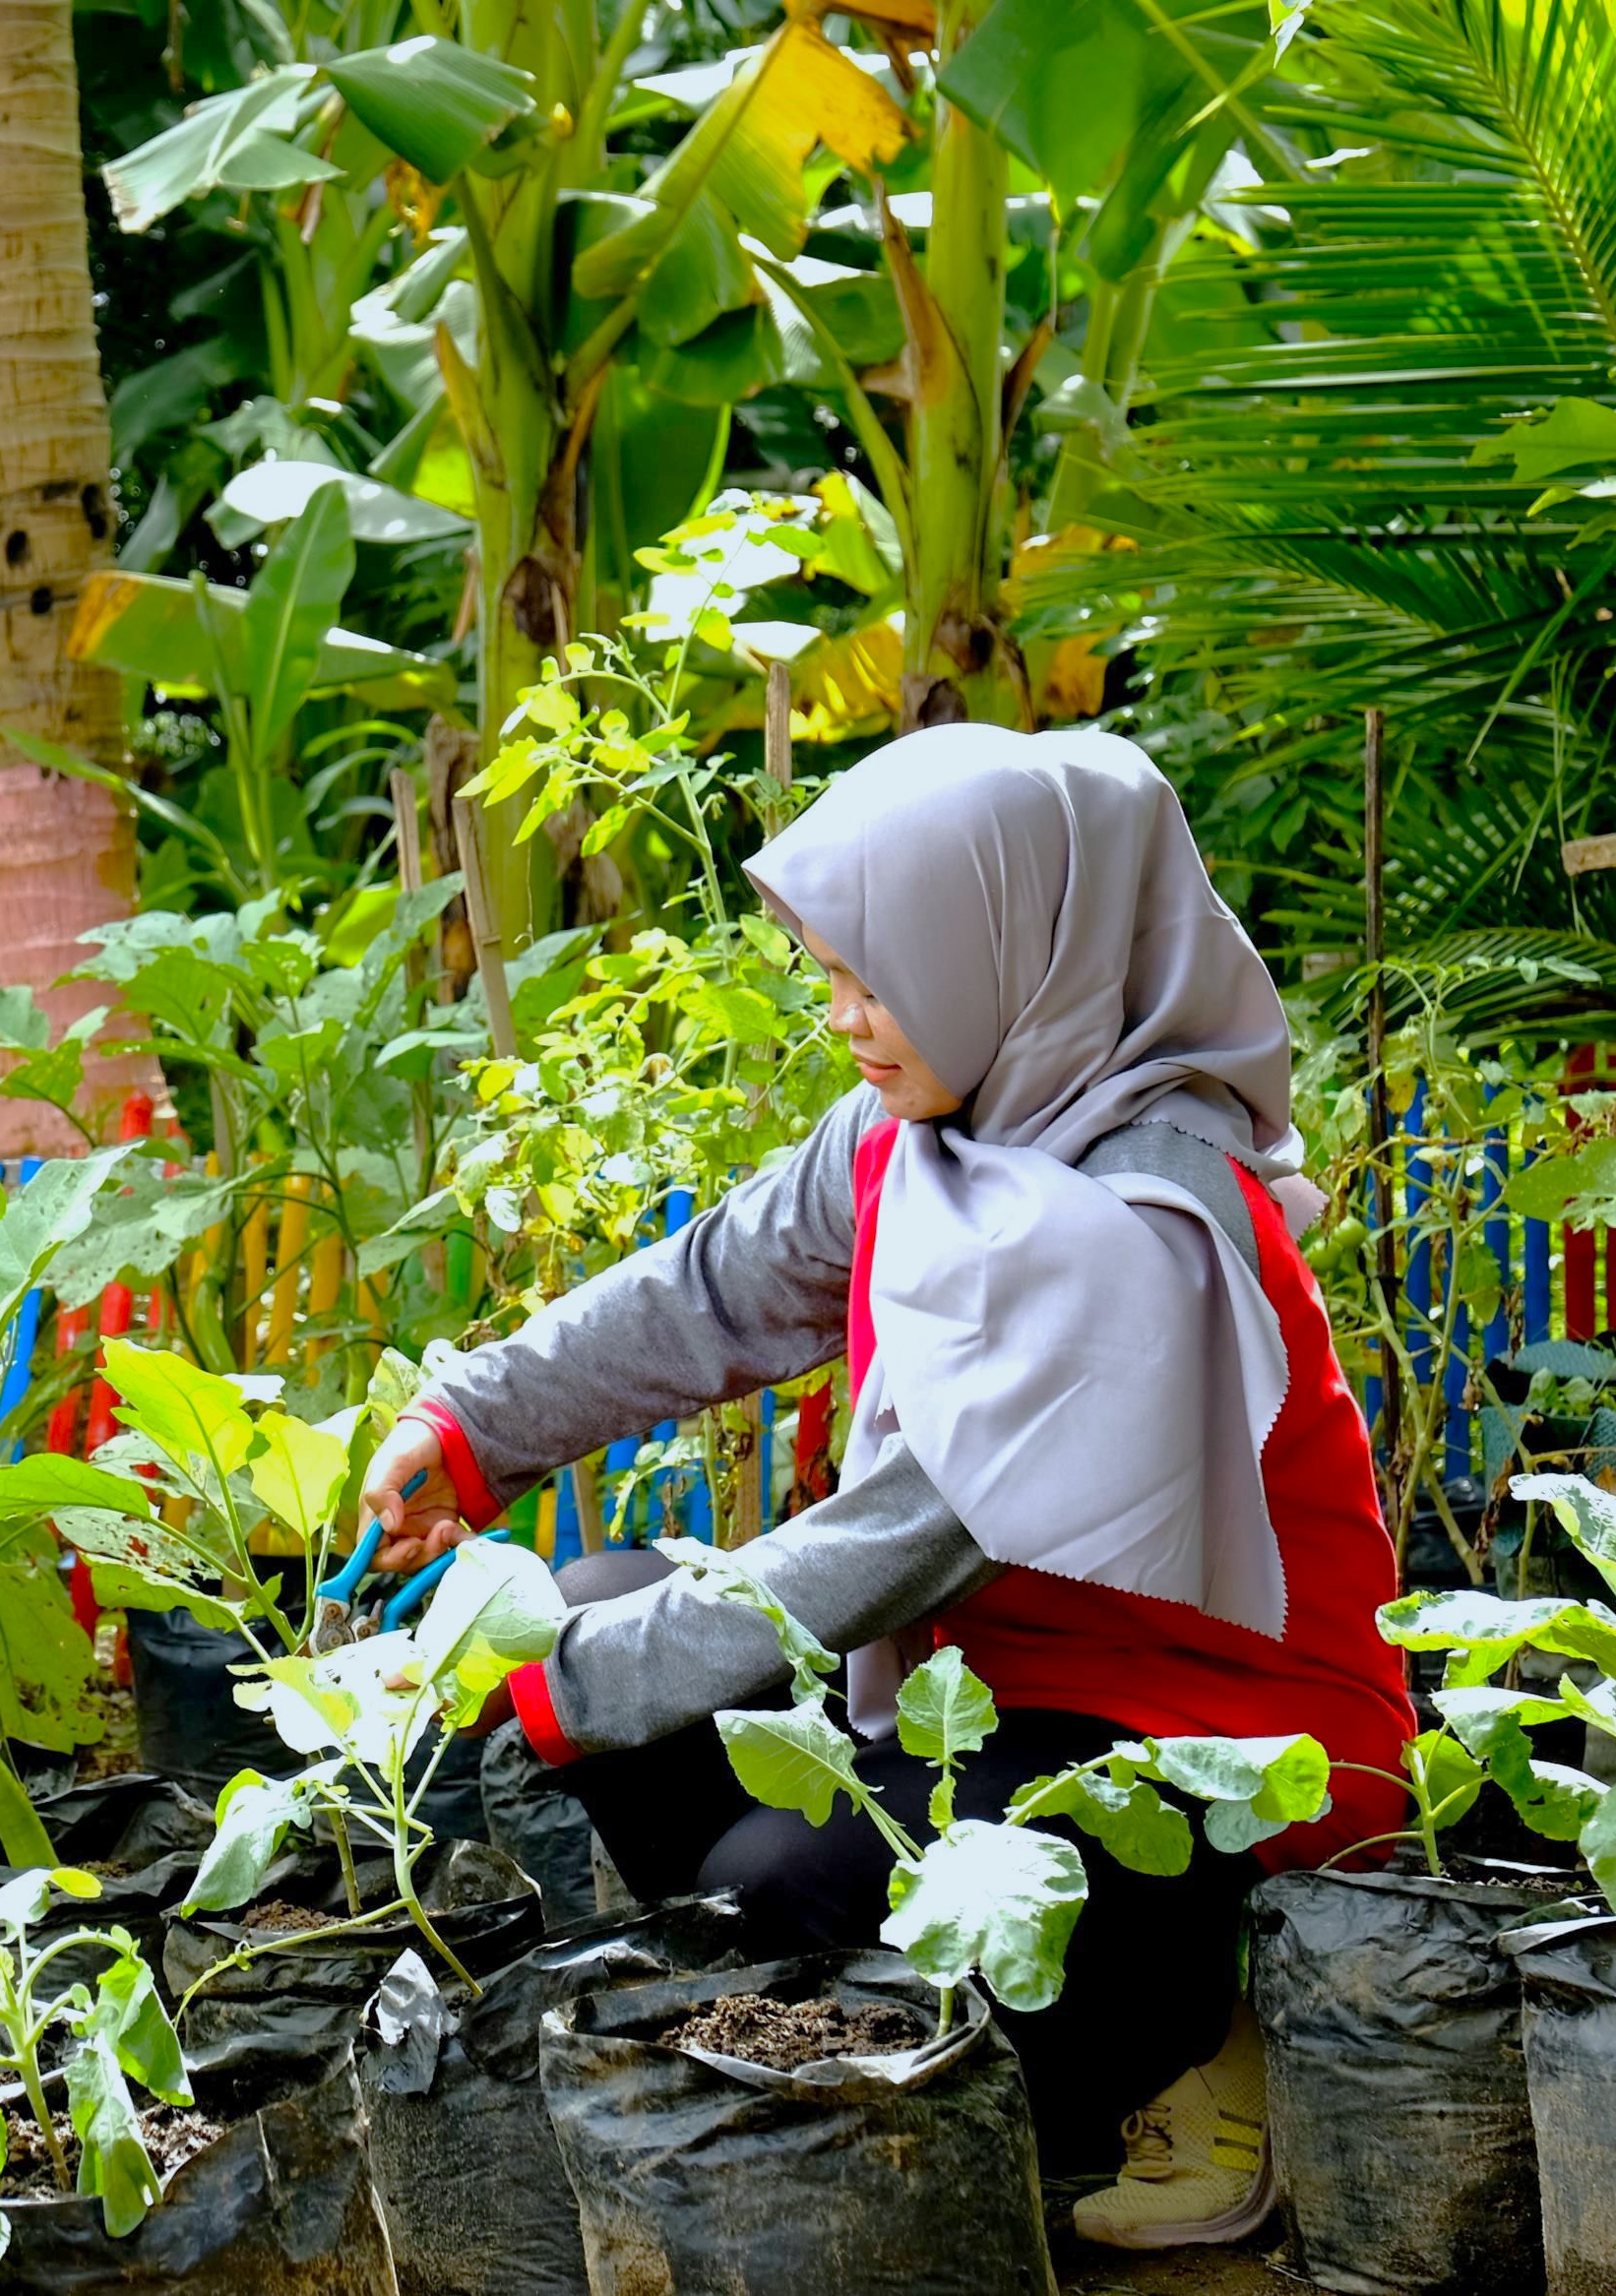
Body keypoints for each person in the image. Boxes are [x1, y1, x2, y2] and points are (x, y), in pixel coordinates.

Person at [357, 724, 1411, 2251]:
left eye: (876, 976)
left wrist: (566, 1679)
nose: (846, 1016)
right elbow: (710, 1290)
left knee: (778, 1876)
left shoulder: (1149, 1219)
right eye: (832, 973)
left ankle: (1184, 2045)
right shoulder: (920, 1125)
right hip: (987, 1692)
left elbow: (908, 1541)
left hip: (1211, 1738)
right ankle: (976, 2052)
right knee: (594, 1622)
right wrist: (463, 1426)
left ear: (1007, 948)